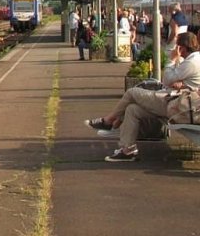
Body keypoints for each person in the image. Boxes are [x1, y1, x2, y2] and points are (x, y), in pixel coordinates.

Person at [83, 31, 200, 162]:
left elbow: (166, 79)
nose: (175, 49)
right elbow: (175, 81)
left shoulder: (192, 62)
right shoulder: (192, 60)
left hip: (176, 106)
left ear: (182, 47)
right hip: (177, 105)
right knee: (132, 110)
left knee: (132, 92)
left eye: (176, 46)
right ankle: (128, 150)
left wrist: (171, 60)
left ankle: (109, 121)